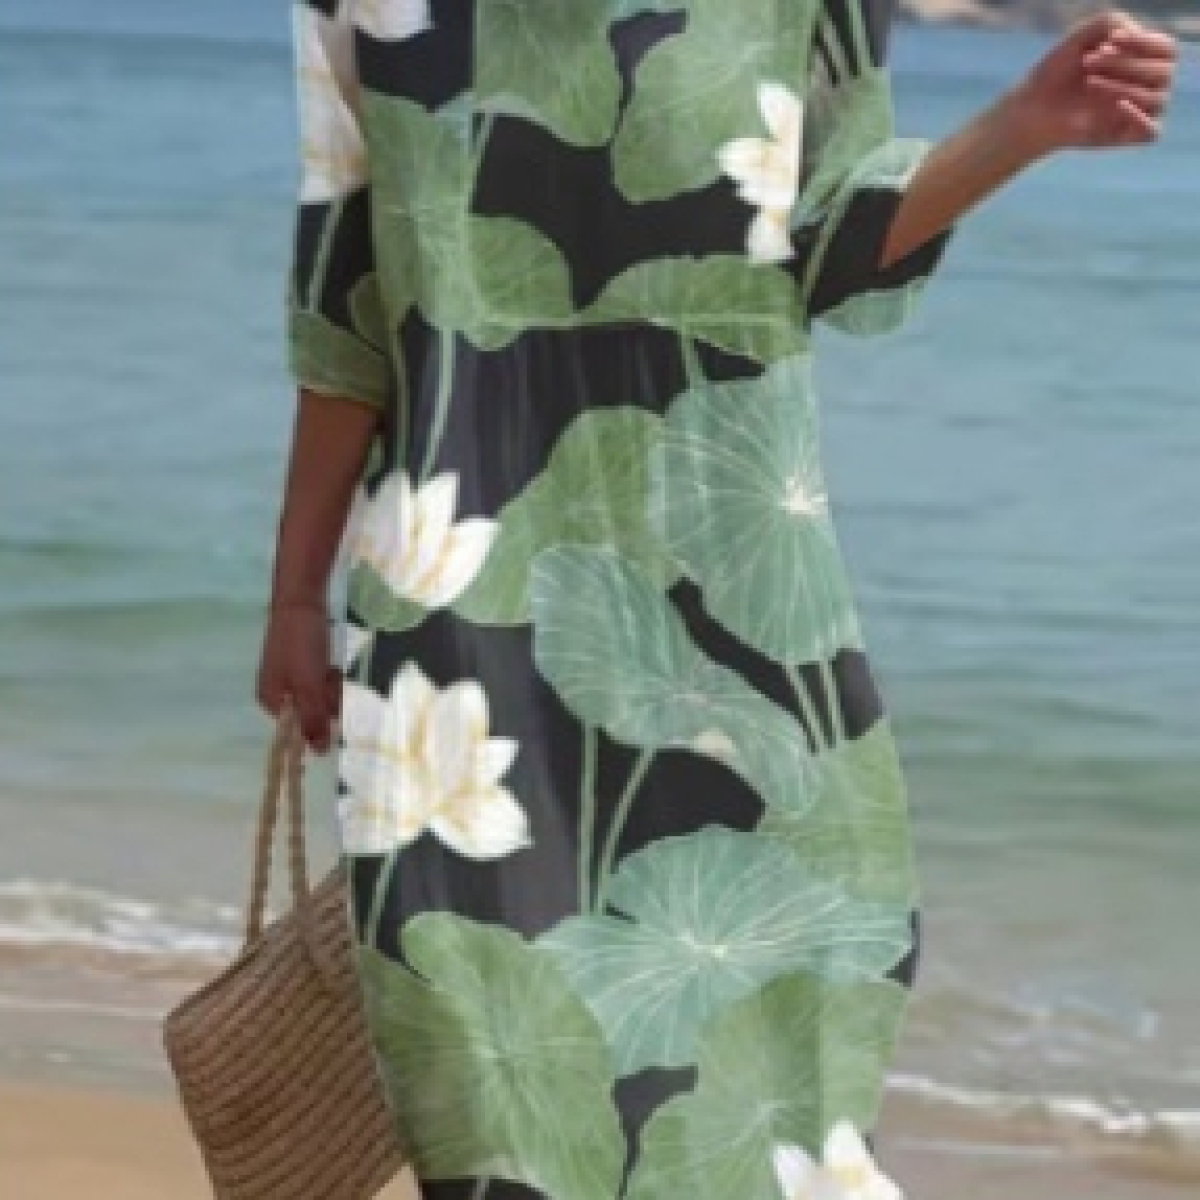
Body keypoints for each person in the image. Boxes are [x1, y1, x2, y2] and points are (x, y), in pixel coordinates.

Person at [257, 3, 1177, 1197]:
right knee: (493, 1113)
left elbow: (833, 252)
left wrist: (1023, 126)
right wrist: (295, 597)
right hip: (450, 623)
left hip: (743, 626)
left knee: (778, 1120)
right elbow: (344, 306)